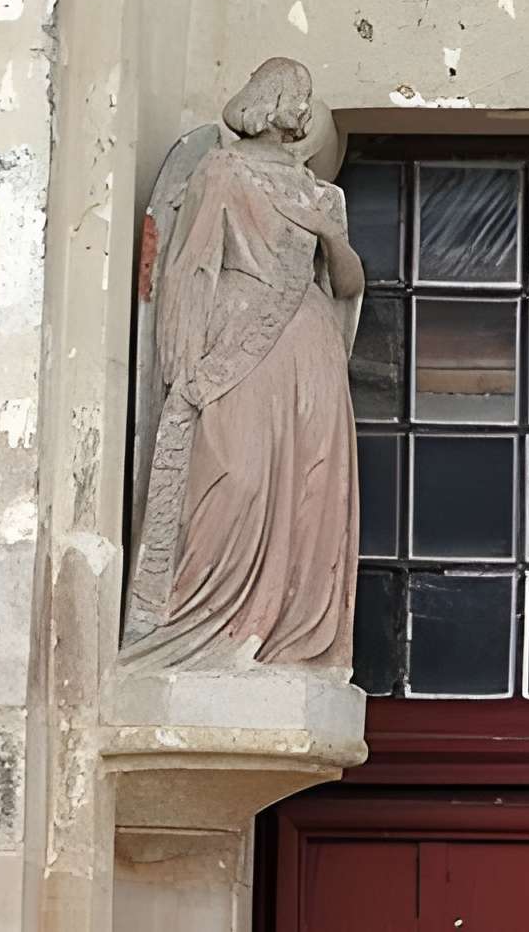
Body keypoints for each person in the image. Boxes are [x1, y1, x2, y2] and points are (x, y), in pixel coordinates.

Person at [121, 57, 365, 672]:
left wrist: (332, 237)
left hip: (308, 344)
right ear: (267, 98)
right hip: (235, 336)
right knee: (235, 473)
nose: (302, 109)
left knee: (309, 490)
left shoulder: (323, 194)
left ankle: (286, 639)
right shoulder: (223, 169)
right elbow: (189, 264)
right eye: (295, 95)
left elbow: (347, 284)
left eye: (307, 99)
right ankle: (204, 627)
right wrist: (183, 355)